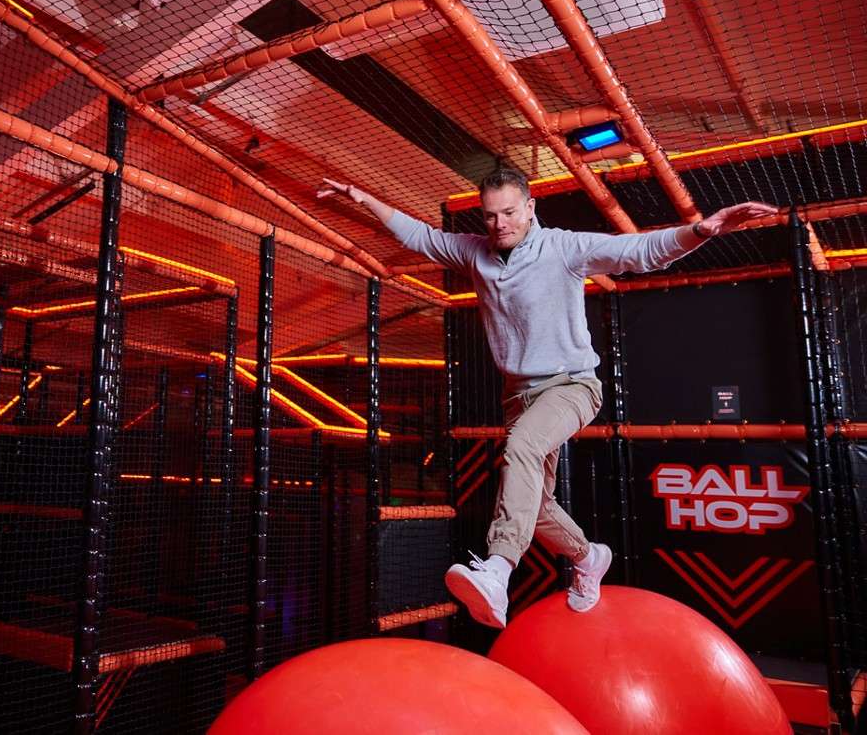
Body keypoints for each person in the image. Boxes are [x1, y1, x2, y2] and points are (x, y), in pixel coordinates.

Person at [318, 169, 778, 628]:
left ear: (531, 208)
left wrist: (702, 229)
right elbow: (419, 236)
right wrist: (362, 195)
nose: (500, 224)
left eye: (510, 213)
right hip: (518, 395)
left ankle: (498, 571)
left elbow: (639, 252)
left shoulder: (563, 248)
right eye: (491, 216)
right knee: (533, 503)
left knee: (519, 450)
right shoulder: (476, 253)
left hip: (572, 385)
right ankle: (587, 556)